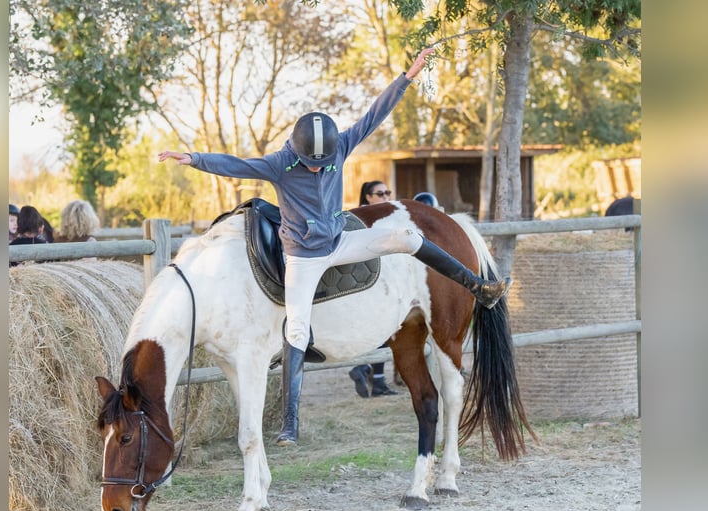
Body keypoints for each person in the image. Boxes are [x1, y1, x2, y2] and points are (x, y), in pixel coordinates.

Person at [158, 47, 511, 447]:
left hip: (342, 241)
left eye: (323, 163)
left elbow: (374, 115)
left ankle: (478, 286)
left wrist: (408, 76)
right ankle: (290, 422)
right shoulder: (279, 163)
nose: (318, 168)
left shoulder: (339, 146)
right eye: (312, 163)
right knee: (295, 329)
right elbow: (235, 164)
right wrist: (193, 158)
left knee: (409, 238)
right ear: (298, 152)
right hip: (302, 258)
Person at [348, 180, 398, 398]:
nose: (386, 196)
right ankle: (366, 371)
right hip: (369, 279)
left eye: (388, 192)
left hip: (381, 277)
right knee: (385, 327)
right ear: (368, 197)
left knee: (386, 329)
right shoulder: (363, 218)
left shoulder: (384, 217)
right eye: (380, 193)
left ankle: (372, 375)